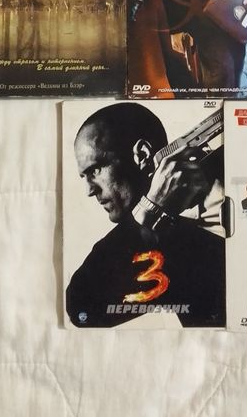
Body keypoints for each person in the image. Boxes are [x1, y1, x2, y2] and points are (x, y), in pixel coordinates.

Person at [65, 103, 225, 328]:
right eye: (84, 176)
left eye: (95, 170)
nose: (90, 191)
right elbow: (83, 309)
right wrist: (151, 210)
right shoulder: (157, 237)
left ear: (142, 155)